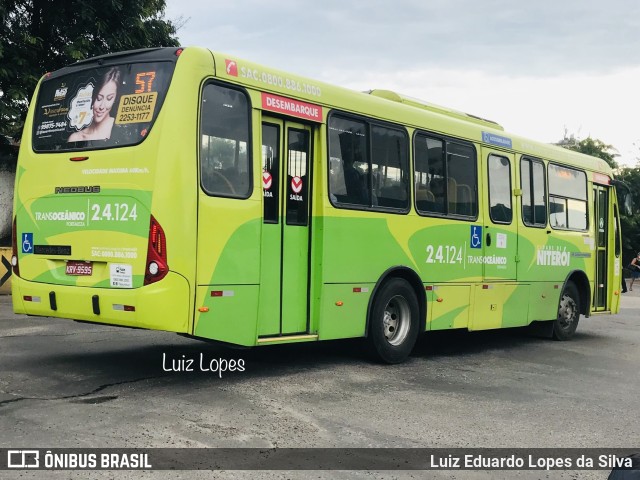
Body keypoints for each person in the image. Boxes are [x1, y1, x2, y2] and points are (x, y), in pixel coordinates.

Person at [68, 67, 121, 142]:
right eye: (98, 98)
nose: (102, 106)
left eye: (109, 98)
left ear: (115, 99)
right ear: (93, 97)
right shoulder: (76, 138)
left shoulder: (123, 129)